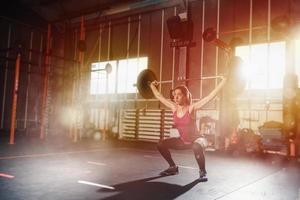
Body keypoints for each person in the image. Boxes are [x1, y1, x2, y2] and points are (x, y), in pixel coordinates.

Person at [149, 77, 227, 181]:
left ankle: (202, 171)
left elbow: (210, 96)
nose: (175, 97)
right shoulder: (174, 108)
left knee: (196, 146)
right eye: (174, 95)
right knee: (160, 144)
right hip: (183, 141)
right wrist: (151, 86)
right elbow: (159, 96)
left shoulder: (191, 108)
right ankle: (173, 167)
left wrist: (223, 81)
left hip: (198, 140)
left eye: (179, 95)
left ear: (185, 96)